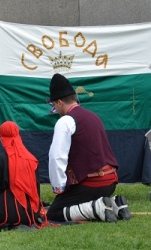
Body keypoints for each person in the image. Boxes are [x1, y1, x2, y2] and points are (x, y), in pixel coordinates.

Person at [46, 73, 131, 223]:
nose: (55, 109)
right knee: (73, 203)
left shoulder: (65, 121)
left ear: (59, 102)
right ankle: (115, 204)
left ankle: (97, 208)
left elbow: (56, 156)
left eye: (53, 105)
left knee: (53, 213)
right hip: (110, 182)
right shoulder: (93, 116)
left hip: (90, 184)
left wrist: (58, 187)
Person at [0, 121, 46, 230]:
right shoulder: (32, 159)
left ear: (1, 138)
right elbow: (36, 190)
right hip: (31, 213)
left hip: (6, 214)